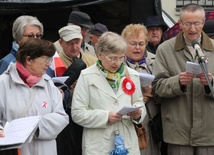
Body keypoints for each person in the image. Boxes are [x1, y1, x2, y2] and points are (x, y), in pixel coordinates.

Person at [152, 3, 214, 155]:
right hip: (178, 130)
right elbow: (157, 87)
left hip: (209, 130)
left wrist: (210, 84)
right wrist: (178, 82)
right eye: (187, 23)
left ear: (203, 23)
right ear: (180, 23)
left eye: (196, 23)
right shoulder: (165, 49)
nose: (192, 28)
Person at [71, 31, 146, 155]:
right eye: (112, 58)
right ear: (100, 54)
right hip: (98, 145)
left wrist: (138, 114)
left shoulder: (132, 75)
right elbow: (77, 113)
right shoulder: (87, 76)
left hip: (127, 143)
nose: (117, 62)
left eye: (121, 58)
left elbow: (139, 103)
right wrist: (105, 117)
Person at [0, 38, 69, 155]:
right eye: (45, 59)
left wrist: (37, 126)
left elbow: (62, 117)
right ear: (29, 60)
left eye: (50, 59)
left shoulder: (49, 84)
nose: (49, 63)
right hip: (15, 151)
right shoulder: (3, 83)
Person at [56, 25, 97, 155]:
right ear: (61, 43)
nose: (74, 47)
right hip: (67, 118)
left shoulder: (94, 61)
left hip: (91, 114)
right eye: (69, 43)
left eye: (77, 42)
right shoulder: (54, 63)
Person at [121, 23, 160, 155]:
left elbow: (164, 88)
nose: (137, 48)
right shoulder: (118, 66)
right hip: (129, 126)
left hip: (152, 124)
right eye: (133, 43)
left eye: (141, 44)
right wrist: (138, 98)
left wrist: (155, 93)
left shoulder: (155, 62)